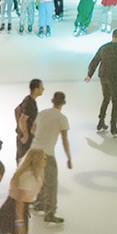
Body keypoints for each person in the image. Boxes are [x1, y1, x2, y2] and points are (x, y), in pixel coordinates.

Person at [0, 148, 47, 234]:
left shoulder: (25, 172)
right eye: (43, 158)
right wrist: (19, 222)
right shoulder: (29, 178)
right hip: (16, 211)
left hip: (10, 208)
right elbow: (20, 202)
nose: (45, 161)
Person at [31, 91, 72, 225]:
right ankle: (50, 213)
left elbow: (33, 130)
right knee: (51, 183)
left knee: (40, 178)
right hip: (46, 153)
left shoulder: (42, 113)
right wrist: (68, 157)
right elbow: (64, 140)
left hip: (33, 151)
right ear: (64, 103)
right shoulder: (62, 118)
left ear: (52, 100)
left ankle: (39, 203)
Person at [85, 28, 117, 136]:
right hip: (114, 77)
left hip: (103, 76)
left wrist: (89, 74)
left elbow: (95, 61)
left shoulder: (104, 48)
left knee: (106, 98)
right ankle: (113, 126)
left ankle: (101, 122)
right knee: (115, 100)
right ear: (115, 36)